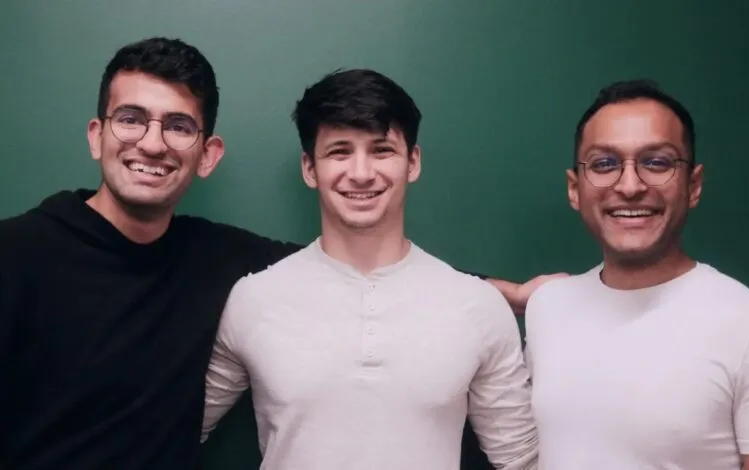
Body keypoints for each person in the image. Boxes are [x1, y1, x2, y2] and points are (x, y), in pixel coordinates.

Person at [0, 38, 548, 470]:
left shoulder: (220, 263)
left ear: (207, 153)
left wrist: (500, 292)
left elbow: (360, 270)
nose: (151, 142)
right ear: (97, 135)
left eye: (178, 126)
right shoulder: (18, 253)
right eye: (131, 119)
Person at [201, 68, 539, 470]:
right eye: (340, 151)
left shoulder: (478, 306)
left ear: (412, 162)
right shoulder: (254, 299)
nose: (361, 174)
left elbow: (522, 461)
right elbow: (170, 431)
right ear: (310, 168)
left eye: (381, 150)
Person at [524, 79, 749, 469]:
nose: (630, 186)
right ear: (574, 189)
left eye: (656, 162)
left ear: (693, 185)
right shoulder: (547, 308)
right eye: (604, 164)